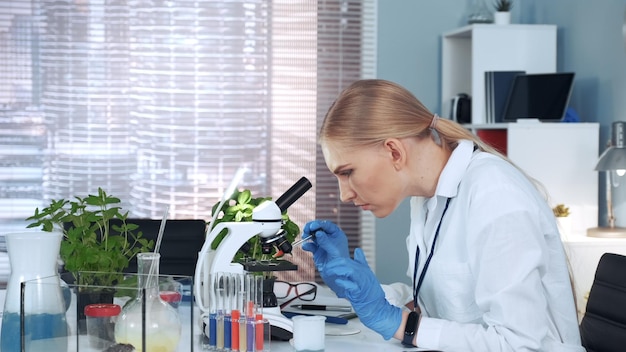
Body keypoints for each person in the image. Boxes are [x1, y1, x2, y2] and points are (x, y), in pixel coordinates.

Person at [301, 79, 584, 351]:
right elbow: (440, 309)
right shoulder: (426, 199)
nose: (344, 195)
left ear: (394, 152)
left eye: (348, 173)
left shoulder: (494, 193)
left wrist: (394, 320)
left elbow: (518, 344)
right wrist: (364, 293)